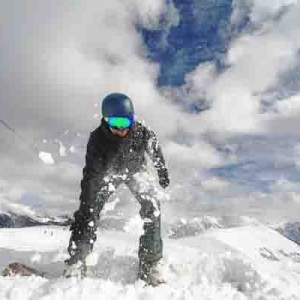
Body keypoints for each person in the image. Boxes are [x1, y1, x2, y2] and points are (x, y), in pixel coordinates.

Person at [64, 93, 170, 286]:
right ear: (105, 119)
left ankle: (151, 263)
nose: (121, 128)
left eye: (125, 121)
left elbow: (155, 150)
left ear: (132, 118)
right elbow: (91, 173)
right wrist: (87, 198)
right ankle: (77, 260)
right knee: (88, 210)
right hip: (108, 174)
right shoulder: (97, 139)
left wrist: (162, 171)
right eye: (115, 121)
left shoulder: (142, 133)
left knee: (153, 206)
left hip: (136, 171)